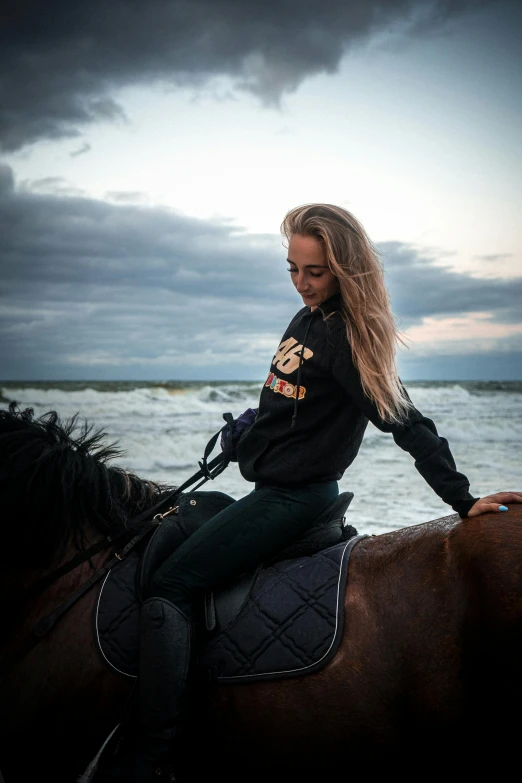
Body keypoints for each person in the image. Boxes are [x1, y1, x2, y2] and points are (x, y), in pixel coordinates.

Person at [107, 204, 521, 782]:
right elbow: (292, 403)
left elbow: (405, 422)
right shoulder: (306, 320)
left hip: (295, 500)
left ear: (344, 271)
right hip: (271, 487)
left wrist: (461, 499)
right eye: (293, 270)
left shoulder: (346, 339)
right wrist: (251, 428)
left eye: (315, 272)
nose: (302, 283)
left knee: (172, 586)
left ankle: (156, 757)